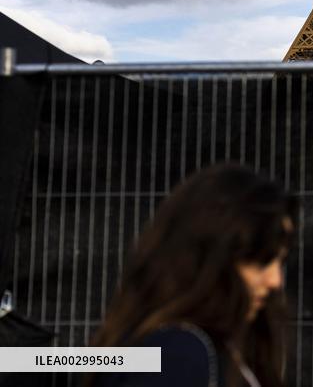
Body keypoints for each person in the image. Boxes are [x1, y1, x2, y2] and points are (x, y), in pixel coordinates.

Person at [85, 164, 297, 387]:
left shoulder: (213, 347)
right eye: (261, 261)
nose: (275, 281)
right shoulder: (177, 353)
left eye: (280, 261)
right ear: (207, 255)